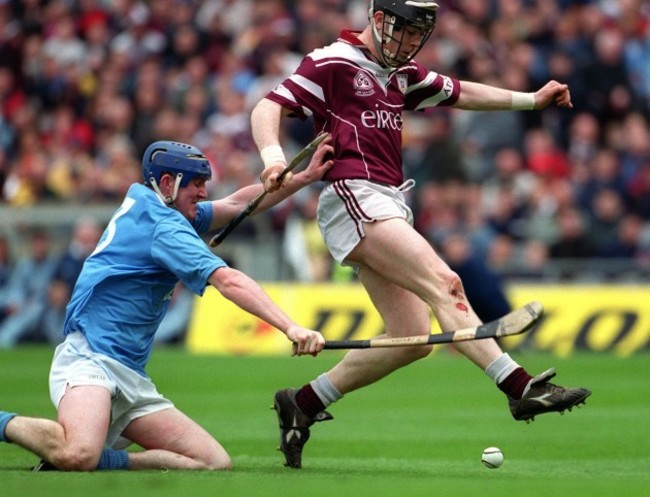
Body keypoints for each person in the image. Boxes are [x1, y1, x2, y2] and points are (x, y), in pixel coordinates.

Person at [250, 0, 592, 468]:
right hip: (354, 194)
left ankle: (304, 402)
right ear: (376, 18)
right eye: (402, 31)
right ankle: (519, 387)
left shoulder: (402, 75)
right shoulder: (333, 61)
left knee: (412, 337)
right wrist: (272, 157)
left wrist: (531, 99)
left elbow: (461, 92)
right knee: (445, 282)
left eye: (417, 35)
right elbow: (268, 106)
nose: (409, 43)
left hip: (388, 202)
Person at [0, 137, 333, 472]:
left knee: (213, 462)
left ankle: (102, 459)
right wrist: (291, 327)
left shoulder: (151, 203)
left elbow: (235, 205)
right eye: (197, 184)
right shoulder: (163, 226)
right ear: (167, 183)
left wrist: (302, 179)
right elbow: (228, 280)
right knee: (78, 454)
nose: (204, 193)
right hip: (90, 361)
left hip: (131, 374)